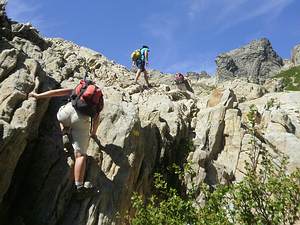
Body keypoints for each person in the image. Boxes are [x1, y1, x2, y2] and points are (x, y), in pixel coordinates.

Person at [29, 83, 103, 197]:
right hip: (81, 121)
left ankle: (64, 130)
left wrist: (38, 96)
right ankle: (79, 188)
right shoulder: (97, 99)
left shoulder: (80, 89)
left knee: (61, 114)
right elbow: (96, 118)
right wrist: (92, 134)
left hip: (66, 113)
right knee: (80, 156)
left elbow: (58, 92)